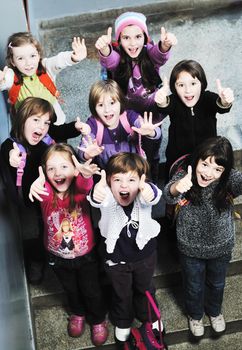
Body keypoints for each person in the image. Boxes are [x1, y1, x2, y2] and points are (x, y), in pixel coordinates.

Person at [28, 143, 108, 346]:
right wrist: (35, 185)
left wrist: (87, 175)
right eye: (51, 168)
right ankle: (77, 313)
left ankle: (98, 319)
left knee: (92, 290)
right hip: (57, 257)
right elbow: (41, 188)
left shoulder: (80, 192)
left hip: (86, 255)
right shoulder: (46, 195)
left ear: (74, 168)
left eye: (64, 166)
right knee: (70, 289)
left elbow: (84, 185)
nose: (57, 173)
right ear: (45, 172)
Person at [162, 136, 242, 337]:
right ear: (196, 160)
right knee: (193, 286)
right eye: (205, 164)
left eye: (217, 169)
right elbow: (168, 193)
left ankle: (215, 312)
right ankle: (195, 315)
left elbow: (240, 181)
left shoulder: (228, 179)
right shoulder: (184, 174)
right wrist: (177, 187)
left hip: (221, 247)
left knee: (217, 284)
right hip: (190, 248)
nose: (208, 173)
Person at [0, 97, 83, 284]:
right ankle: (38, 261)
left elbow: (60, 130)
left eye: (46, 122)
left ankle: (74, 254)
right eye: (36, 120)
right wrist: (12, 157)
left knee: (69, 223)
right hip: (36, 201)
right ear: (22, 119)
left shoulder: (47, 135)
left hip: (57, 192)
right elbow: (7, 152)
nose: (42, 126)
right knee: (45, 230)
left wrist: (75, 127)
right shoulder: (12, 145)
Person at [87, 152, 162, 344]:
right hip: (116, 260)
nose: (123, 185)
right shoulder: (108, 198)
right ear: (109, 183)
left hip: (144, 257)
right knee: (121, 293)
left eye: (131, 180)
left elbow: (153, 195)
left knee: (145, 288)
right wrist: (96, 193)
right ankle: (123, 320)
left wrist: (148, 190)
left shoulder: (143, 195)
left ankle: (150, 318)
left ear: (141, 181)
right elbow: (97, 199)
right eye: (117, 179)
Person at [95, 11, 177, 182]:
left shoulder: (150, 53)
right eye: (126, 38)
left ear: (145, 37)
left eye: (138, 36)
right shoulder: (118, 58)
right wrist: (104, 48)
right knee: (130, 150)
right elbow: (110, 60)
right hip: (126, 116)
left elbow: (159, 55)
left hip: (151, 115)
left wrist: (165, 45)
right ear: (119, 40)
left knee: (152, 150)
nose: (133, 43)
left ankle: (151, 178)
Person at [154, 59, 234, 181]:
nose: (188, 90)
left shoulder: (207, 98)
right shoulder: (174, 101)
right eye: (181, 85)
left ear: (202, 84)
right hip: (178, 158)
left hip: (207, 157)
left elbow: (220, 106)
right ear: (174, 88)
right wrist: (162, 100)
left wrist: (225, 101)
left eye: (193, 83)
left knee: (206, 185)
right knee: (177, 187)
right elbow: (166, 106)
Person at [0, 31, 87, 125]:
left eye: (32, 56)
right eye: (20, 58)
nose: (28, 63)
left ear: (39, 55)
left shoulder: (45, 67)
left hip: (55, 121)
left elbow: (58, 61)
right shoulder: (11, 76)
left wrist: (73, 57)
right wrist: (1, 80)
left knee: (60, 136)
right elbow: (5, 81)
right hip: (29, 128)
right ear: (13, 62)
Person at [78, 79, 162, 170]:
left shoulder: (129, 116)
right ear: (94, 107)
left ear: (121, 102)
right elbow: (83, 149)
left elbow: (153, 131)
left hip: (133, 171)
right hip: (106, 175)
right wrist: (87, 154)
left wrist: (151, 131)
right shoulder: (93, 123)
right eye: (101, 105)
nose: (107, 109)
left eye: (112, 103)